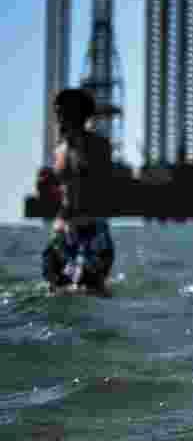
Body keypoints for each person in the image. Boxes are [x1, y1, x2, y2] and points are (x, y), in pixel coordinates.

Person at [41, 88, 115, 294]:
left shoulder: (99, 145)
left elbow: (102, 183)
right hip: (63, 230)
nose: (57, 118)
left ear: (75, 114)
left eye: (60, 112)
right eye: (57, 112)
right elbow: (63, 188)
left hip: (90, 229)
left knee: (93, 288)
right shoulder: (59, 149)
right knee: (55, 287)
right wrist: (50, 184)